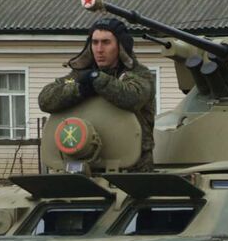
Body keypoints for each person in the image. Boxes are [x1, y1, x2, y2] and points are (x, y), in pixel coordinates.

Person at [39, 16, 155, 170]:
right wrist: (80, 88)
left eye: (106, 42)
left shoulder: (139, 74)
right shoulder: (78, 76)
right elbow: (46, 99)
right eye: (95, 42)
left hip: (132, 167)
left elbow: (133, 97)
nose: (99, 49)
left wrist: (97, 80)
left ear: (120, 46)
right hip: (82, 161)